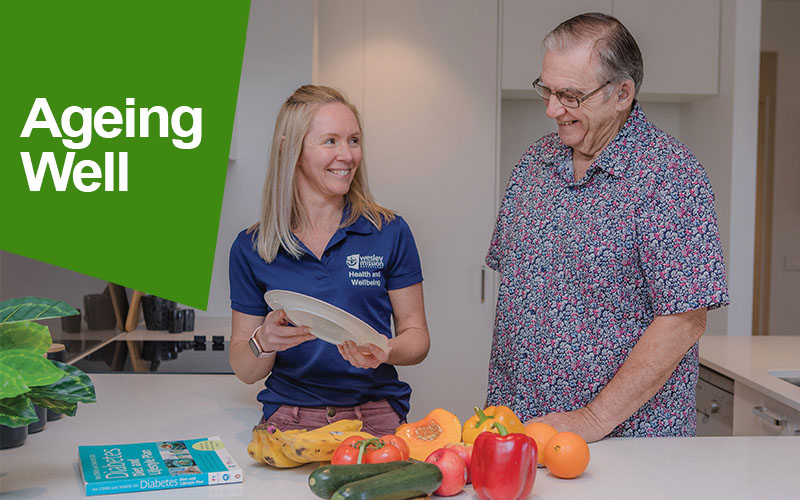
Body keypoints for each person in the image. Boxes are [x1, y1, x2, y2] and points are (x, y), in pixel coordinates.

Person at [485, 13, 729, 441]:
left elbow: (684, 320)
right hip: (518, 426)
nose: (552, 109)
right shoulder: (533, 165)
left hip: (625, 440)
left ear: (622, 93)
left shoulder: (671, 176)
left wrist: (595, 418)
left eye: (570, 95)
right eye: (547, 89)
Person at [229, 85, 430, 436]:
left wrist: (386, 350)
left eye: (353, 140)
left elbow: (417, 337)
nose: (348, 155)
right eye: (330, 141)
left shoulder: (389, 231)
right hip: (289, 418)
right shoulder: (253, 247)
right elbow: (245, 369)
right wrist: (264, 341)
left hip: (376, 416)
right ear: (291, 150)